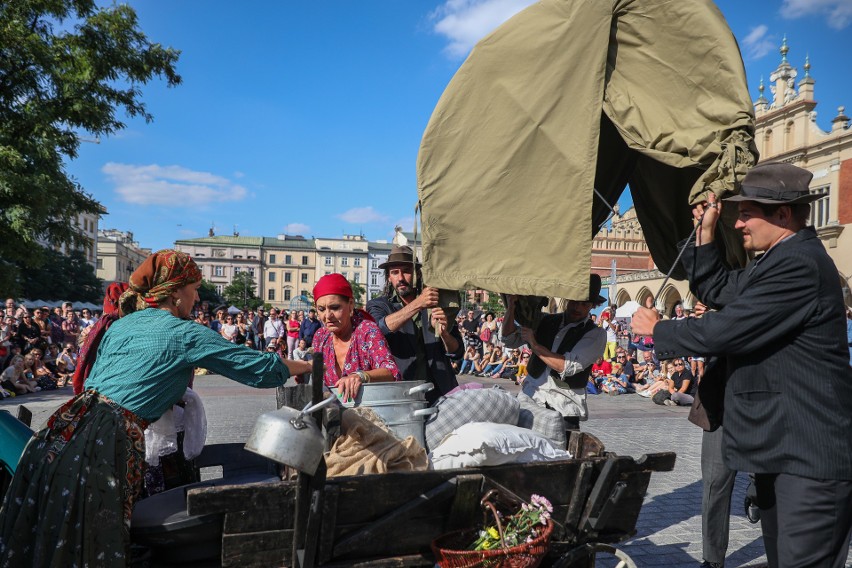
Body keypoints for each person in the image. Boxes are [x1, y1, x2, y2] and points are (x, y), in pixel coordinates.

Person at [0, 249, 311, 567]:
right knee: (90, 539)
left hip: (63, 428)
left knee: (58, 532)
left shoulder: (122, 326)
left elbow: (117, 379)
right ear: (176, 292)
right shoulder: (184, 333)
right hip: (103, 441)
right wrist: (305, 366)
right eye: (194, 289)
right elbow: (257, 369)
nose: (196, 297)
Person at [631, 162, 852, 567]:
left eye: (746, 212)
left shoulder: (798, 264)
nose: (739, 223)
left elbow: (725, 330)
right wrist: (706, 231)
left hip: (808, 459)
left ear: (782, 214)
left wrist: (660, 330)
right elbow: (716, 288)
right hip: (784, 454)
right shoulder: (774, 261)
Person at [501, 274, 607, 431]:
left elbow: (567, 366)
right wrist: (511, 307)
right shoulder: (545, 320)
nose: (578, 308)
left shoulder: (595, 334)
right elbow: (509, 339)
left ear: (592, 306)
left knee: (559, 454)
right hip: (531, 398)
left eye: (584, 304)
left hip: (563, 407)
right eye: (575, 301)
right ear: (567, 300)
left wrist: (535, 344)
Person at [365, 245, 463, 402]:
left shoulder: (435, 302)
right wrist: (419, 303)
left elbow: (457, 351)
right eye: (395, 272)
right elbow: (378, 330)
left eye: (406, 271)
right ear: (389, 277)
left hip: (441, 392)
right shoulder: (378, 305)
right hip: (400, 394)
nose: (401, 278)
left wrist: (445, 334)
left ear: (417, 273)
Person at [312, 273, 402, 403]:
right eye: (321, 309)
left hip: (371, 414)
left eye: (335, 308)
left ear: (350, 304)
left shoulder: (367, 331)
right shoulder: (320, 337)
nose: (328, 316)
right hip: (334, 416)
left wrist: (361, 376)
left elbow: (391, 372)